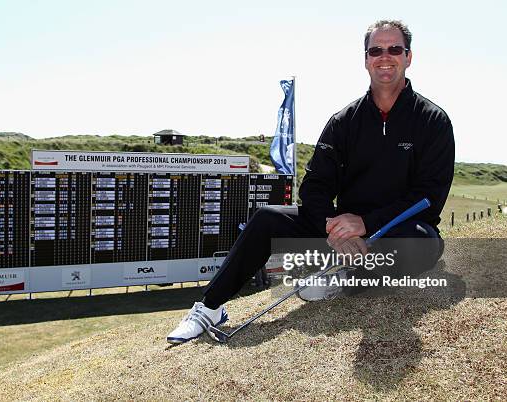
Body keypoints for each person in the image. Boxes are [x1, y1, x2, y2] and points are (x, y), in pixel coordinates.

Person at [167, 19, 455, 344]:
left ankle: (345, 277)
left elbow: (429, 197)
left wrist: (366, 223)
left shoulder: (433, 120)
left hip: (396, 229)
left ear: (408, 56)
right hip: (340, 230)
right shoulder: (344, 122)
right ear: (365, 59)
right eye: (375, 50)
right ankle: (209, 309)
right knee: (266, 219)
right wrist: (332, 228)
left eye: (394, 49)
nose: (384, 57)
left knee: (421, 243)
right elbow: (315, 186)